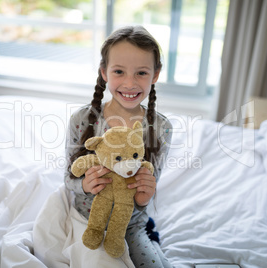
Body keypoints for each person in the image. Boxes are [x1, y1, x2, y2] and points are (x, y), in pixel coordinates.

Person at [65, 25, 173, 267]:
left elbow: (148, 186)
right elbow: (67, 178)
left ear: (155, 75)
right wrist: (84, 184)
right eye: (119, 71)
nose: (130, 83)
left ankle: (151, 239)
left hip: (131, 223)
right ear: (104, 72)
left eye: (141, 73)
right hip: (87, 219)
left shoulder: (161, 127)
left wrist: (144, 198)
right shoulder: (82, 120)